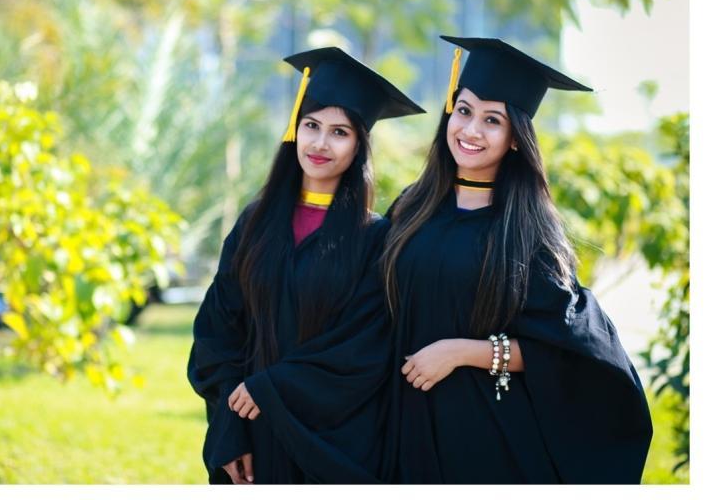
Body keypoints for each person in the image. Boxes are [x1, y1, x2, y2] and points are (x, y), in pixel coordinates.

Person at [381, 36, 653, 484]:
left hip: (486, 438)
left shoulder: (527, 232)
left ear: (514, 139)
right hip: (404, 425)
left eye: (493, 120)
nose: (471, 130)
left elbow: (569, 351)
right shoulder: (411, 208)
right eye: (464, 111)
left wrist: (461, 352)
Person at [187, 47, 425, 484]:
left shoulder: (374, 239)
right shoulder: (255, 223)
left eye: (339, 132)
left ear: (359, 146)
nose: (319, 143)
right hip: (251, 430)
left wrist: (271, 388)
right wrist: (230, 428)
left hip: (333, 444)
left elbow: (363, 349)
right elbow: (217, 330)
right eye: (311, 125)